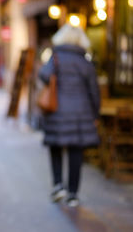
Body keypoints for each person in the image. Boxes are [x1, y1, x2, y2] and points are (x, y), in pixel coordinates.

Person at [38, 24, 100, 207]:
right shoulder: (85, 61)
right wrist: (95, 113)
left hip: (57, 109)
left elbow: (43, 75)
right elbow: (94, 91)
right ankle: (73, 194)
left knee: (55, 146)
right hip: (81, 112)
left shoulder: (55, 57)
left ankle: (58, 186)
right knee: (76, 151)